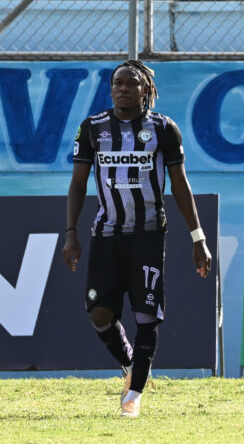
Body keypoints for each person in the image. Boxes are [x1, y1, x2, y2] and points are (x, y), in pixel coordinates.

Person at [61, 60, 211, 418]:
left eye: (131, 83)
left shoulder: (163, 128)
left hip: (147, 234)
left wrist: (198, 237)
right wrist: (71, 234)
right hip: (106, 234)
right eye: (117, 83)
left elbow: (179, 186)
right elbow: (79, 183)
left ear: (146, 90)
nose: (123, 88)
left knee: (147, 315)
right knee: (99, 313)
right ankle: (131, 364)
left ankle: (134, 397)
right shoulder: (93, 128)